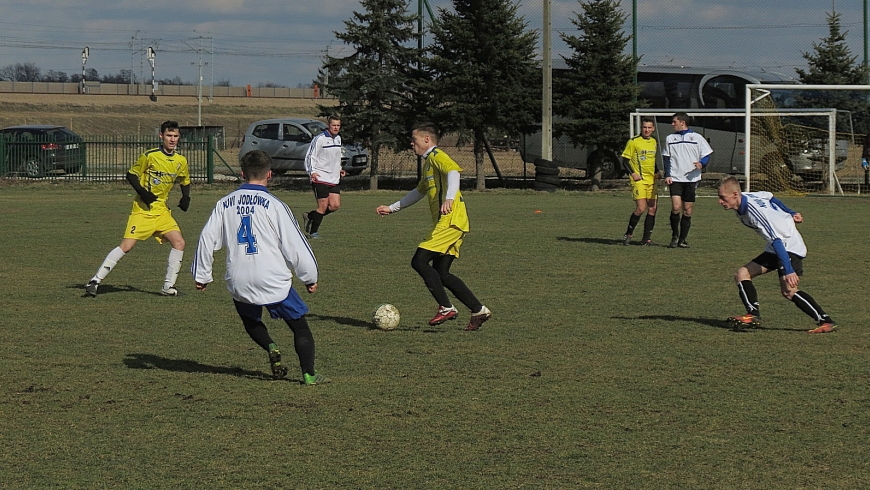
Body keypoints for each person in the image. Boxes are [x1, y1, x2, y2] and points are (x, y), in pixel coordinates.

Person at [191, 150, 325, 384]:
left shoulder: (224, 204)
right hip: (272, 278)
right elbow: (295, 244)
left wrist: (202, 275)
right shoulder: (275, 205)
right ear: (269, 174)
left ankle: (270, 345)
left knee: (251, 322)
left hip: (239, 278)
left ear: (242, 173)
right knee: (300, 327)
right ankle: (309, 374)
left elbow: (206, 238)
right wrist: (309, 277)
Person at [375, 122, 492, 331]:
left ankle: (446, 307)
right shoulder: (428, 163)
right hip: (452, 222)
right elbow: (418, 192)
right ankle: (478, 309)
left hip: (450, 220)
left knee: (419, 260)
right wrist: (391, 208)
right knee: (442, 272)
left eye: (415, 139)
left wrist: (449, 198)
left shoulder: (437, 156)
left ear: (426, 140)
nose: (412, 144)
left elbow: (454, 172)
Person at [716, 176, 837, 334]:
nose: (720, 201)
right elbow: (770, 196)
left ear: (734, 195)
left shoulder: (755, 213)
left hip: (788, 246)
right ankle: (753, 314)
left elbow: (776, 240)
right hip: (776, 246)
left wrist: (788, 269)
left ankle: (826, 321)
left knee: (789, 291)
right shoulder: (748, 196)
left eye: (722, 197)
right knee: (742, 274)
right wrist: (791, 212)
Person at [85, 120, 191, 297]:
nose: (172, 139)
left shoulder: (181, 161)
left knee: (179, 243)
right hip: (143, 211)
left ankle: (168, 287)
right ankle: (95, 280)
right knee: (126, 246)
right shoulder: (149, 156)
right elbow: (131, 174)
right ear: (161, 136)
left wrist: (186, 196)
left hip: (162, 211)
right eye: (169, 136)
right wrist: (143, 192)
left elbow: (185, 180)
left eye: (175, 136)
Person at [662, 112, 713, 249]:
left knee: (687, 210)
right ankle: (674, 236)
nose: (672, 124)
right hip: (675, 178)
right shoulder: (670, 138)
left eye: (674, 122)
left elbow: (707, 154)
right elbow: (666, 158)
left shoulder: (697, 138)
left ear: (682, 123)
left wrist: (702, 163)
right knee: (676, 207)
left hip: (691, 179)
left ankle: (682, 240)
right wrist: (667, 174)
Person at [302, 115, 345, 239]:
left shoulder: (338, 139)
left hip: (333, 178)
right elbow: (310, 156)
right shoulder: (319, 139)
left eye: (338, 125)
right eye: (334, 125)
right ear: (328, 125)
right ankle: (313, 233)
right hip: (320, 177)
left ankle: (310, 216)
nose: (336, 128)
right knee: (323, 206)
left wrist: (339, 169)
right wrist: (312, 172)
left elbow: (336, 157)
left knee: (335, 205)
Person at [621, 116, 659, 246]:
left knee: (653, 208)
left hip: (652, 180)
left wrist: (657, 172)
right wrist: (633, 173)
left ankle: (646, 239)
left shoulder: (654, 142)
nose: (647, 130)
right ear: (641, 128)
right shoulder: (633, 142)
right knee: (641, 208)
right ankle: (628, 234)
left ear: (653, 129)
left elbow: (652, 160)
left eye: (649, 127)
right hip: (639, 180)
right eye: (644, 127)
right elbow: (625, 160)